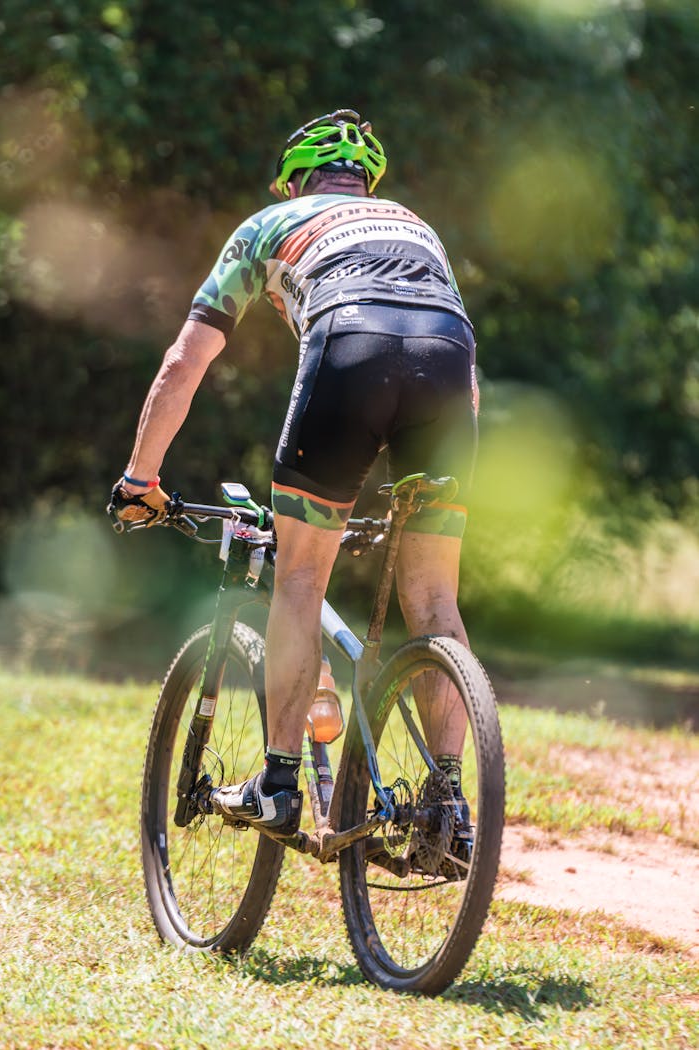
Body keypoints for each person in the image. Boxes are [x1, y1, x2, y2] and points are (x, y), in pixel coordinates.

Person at [110, 108, 479, 836]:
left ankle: (280, 782)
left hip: (350, 344)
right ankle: (450, 806)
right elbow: (468, 374)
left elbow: (186, 361)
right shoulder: (415, 228)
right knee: (435, 597)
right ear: (365, 185)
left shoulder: (266, 227)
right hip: (446, 364)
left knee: (303, 577)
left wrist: (139, 481)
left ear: (294, 183)